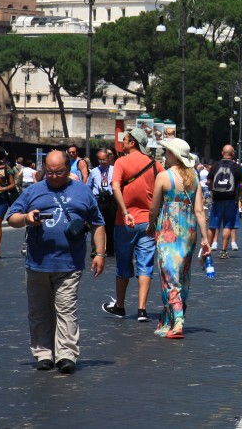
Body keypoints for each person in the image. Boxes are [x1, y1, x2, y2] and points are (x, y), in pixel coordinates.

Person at [6, 150, 106, 374]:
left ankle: (66, 355)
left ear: (68, 169)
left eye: (58, 172)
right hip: (38, 262)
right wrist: (26, 219)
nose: (53, 176)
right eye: (49, 172)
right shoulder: (34, 191)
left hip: (69, 263)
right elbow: (12, 217)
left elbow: (97, 223)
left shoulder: (82, 191)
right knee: (39, 310)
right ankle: (43, 353)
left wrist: (100, 253)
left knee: (66, 309)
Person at [146, 138, 211, 339]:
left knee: (169, 276)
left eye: (166, 152)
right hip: (189, 231)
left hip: (168, 230)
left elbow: (154, 208)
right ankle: (169, 319)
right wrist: (205, 238)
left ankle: (178, 320)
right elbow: (199, 211)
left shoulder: (163, 176)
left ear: (173, 155)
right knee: (182, 276)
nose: (165, 155)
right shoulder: (194, 177)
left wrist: (150, 225)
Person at [103, 128, 161, 322]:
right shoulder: (155, 165)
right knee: (145, 265)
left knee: (123, 264)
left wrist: (125, 211)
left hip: (125, 222)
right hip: (148, 222)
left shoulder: (121, 162)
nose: (122, 142)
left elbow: (115, 186)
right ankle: (142, 310)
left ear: (133, 142)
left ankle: (120, 306)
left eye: (125, 139)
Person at [207, 144, 242, 259]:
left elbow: (209, 181)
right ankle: (223, 251)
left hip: (217, 198)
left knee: (212, 225)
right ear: (233, 154)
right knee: (228, 225)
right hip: (230, 198)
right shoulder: (236, 167)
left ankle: (207, 250)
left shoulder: (215, 165)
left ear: (222, 153)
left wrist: (212, 191)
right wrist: (238, 193)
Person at [87, 148, 116, 257]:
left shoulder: (114, 170)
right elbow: (89, 186)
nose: (102, 162)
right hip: (98, 199)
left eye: (104, 159)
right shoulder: (94, 171)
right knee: (96, 224)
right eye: (100, 160)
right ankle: (95, 249)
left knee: (110, 225)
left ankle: (110, 249)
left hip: (110, 199)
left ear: (108, 159)